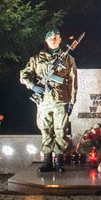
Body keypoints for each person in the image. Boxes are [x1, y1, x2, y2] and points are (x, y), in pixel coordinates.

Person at [19, 28, 78, 174]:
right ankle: (47, 161)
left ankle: (58, 161)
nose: (53, 40)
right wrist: (32, 86)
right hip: (43, 100)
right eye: (51, 38)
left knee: (60, 130)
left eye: (56, 38)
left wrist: (71, 101)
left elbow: (73, 81)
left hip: (61, 99)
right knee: (45, 130)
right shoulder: (37, 58)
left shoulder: (68, 59)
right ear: (46, 41)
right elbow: (23, 75)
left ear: (60, 40)